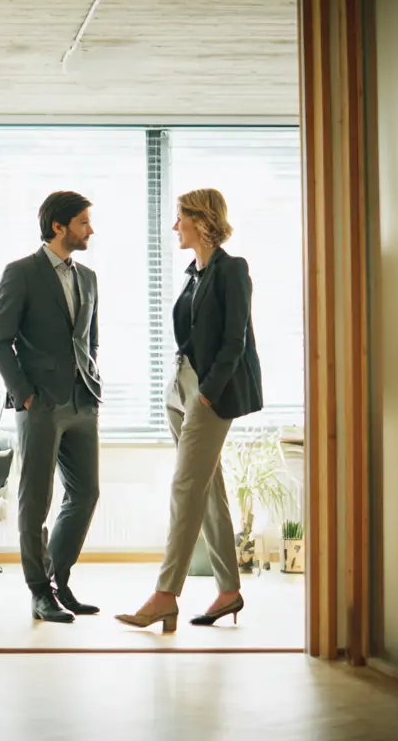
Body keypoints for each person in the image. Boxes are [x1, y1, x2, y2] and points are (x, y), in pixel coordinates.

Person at [115, 188, 264, 633]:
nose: (174, 226)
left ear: (201, 221)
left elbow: (234, 340)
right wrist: (181, 389)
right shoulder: (195, 274)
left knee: (184, 486)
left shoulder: (231, 270)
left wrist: (208, 393)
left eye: (179, 217)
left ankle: (165, 595)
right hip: (179, 389)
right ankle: (229, 590)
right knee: (207, 489)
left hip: (208, 394)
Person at [0, 190, 103, 623]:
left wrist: (93, 382)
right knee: (35, 502)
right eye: (83, 222)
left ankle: (60, 580)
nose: (90, 230)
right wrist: (25, 394)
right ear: (59, 226)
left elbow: (91, 338)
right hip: (39, 403)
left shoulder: (88, 277)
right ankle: (40, 593)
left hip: (82, 401)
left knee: (86, 493)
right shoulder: (20, 273)